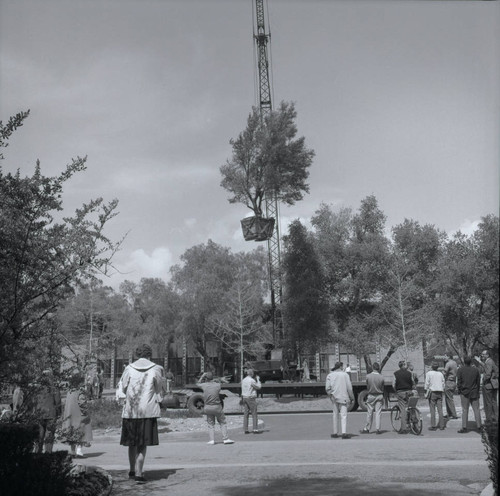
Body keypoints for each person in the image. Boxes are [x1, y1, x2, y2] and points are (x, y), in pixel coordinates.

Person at [117, 344, 166, 484]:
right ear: (149, 354)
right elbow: (159, 389)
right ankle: (139, 472)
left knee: (131, 443)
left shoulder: (129, 368)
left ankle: (132, 470)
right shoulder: (156, 368)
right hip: (148, 411)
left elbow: (123, 386)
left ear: (137, 354)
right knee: (142, 444)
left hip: (131, 411)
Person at [197, 371, 234, 445]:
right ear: (212, 378)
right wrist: (219, 379)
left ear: (206, 378)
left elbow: (197, 384)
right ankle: (225, 438)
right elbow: (223, 382)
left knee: (210, 424)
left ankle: (212, 440)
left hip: (207, 407)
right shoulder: (217, 385)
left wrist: (202, 376)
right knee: (222, 422)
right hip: (217, 407)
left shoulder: (204, 385)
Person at [62, 372, 93, 457]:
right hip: (79, 415)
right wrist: (86, 412)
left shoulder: (70, 392)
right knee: (81, 430)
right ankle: (79, 450)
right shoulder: (80, 391)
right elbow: (82, 403)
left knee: (72, 433)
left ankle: (72, 451)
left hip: (70, 416)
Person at [35, 369, 62, 453]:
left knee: (39, 435)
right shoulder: (54, 388)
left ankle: (37, 453)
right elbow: (57, 402)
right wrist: (59, 413)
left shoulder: (37, 388)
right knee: (49, 435)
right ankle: (48, 454)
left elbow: (33, 401)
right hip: (51, 414)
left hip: (39, 414)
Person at [325, 362, 354, 439]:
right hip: (343, 397)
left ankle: (335, 432)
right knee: (343, 415)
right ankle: (344, 433)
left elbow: (327, 388)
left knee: (335, 414)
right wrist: (352, 397)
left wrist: (331, 395)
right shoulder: (345, 375)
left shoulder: (330, 375)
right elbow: (349, 388)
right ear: (341, 367)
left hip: (334, 397)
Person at [456, 356, 482, 433]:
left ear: (464, 362)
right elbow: (478, 381)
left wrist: (460, 389)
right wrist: (477, 390)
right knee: (476, 410)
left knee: (464, 410)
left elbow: (459, 381)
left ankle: (464, 427)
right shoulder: (476, 370)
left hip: (464, 392)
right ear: (471, 362)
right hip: (474, 391)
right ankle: (479, 427)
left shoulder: (460, 370)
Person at [360, 362, 385, 435]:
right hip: (379, 395)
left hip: (371, 395)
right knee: (378, 412)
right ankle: (377, 429)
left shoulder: (368, 376)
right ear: (378, 368)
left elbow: (367, 386)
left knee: (369, 412)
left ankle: (367, 428)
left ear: (373, 368)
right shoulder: (381, 377)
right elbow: (382, 387)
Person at [392, 360, 413, 434]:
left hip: (400, 392)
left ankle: (403, 428)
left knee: (402, 409)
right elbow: (412, 382)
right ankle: (414, 424)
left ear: (399, 366)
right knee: (410, 407)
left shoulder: (396, 373)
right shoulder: (409, 373)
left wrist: (395, 390)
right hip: (409, 391)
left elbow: (393, 384)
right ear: (404, 365)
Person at [477, 350, 499, 423]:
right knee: (494, 402)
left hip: (488, 385)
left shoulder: (489, 362)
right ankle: (495, 418)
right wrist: (480, 362)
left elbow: (488, 374)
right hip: (494, 385)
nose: (482, 355)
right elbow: (486, 367)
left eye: (483, 354)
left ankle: (489, 419)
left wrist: (483, 381)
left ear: (487, 355)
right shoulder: (490, 361)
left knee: (488, 403)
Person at [425, 361, 446, 431]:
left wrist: (426, 391)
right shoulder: (440, 374)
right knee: (440, 409)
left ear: (431, 367)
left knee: (432, 409)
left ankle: (433, 425)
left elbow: (427, 384)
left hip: (432, 392)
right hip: (440, 392)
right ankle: (442, 425)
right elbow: (443, 383)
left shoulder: (429, 373)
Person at [241, 368, 262, 434]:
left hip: (244, 397)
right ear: (252, 373)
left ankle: (245, 429)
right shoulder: (251, 380)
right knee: (254, 413)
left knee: (246, 414)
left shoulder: (243, 380)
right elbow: (258, 387)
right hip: (251, 397)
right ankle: (255, 429)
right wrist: (258, 380)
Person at [443, 352, 459, 419]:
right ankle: (449, 414)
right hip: (453, 382)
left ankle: (454, 414)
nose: (444, 357)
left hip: (449, 381)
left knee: (449, 399)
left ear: (448, 356)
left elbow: (444, 372)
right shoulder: (455, 363)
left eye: (445, 356)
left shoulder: (448, 364)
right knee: (448, 398)